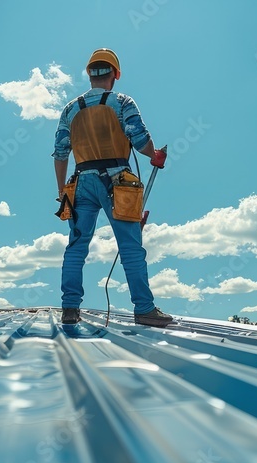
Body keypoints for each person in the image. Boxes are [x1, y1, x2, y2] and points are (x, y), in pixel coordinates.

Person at [52, 48, 173, 327]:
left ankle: (70, 308)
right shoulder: (122, 102)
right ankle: (144, 309)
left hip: (81, 182)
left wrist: (62, 193)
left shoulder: (70, 109)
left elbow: (60, 153)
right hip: (118, 182)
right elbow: (140, 140)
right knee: (130, 246)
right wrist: (154, 154)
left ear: (89, 74)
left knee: (76, 247)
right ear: (115, 75)